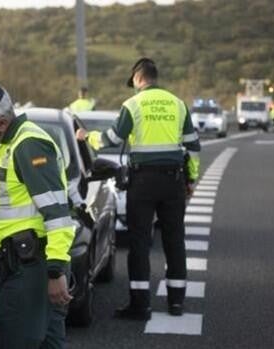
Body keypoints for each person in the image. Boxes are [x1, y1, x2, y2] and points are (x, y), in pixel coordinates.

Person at [0, 75, 75, 348]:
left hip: (31, 268)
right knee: (48, 343)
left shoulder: (28, 145)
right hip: (26, 264)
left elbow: (58, 215)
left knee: (15, 340)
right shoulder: (10, 143)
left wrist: (55, 272)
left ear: (1, 123)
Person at [77, 58, 201, 320]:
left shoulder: (133, 104)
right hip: (173, 181)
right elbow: (193, 147)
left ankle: (140, 306)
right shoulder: (178, 104)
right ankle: (176, 303)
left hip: (143, 182)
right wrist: (190, 180)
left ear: (137, 79)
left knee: (140, 243)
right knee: (174, 241)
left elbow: (111, 139)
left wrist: (87, 136)